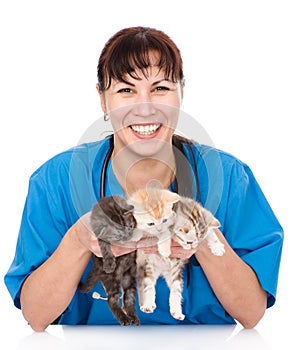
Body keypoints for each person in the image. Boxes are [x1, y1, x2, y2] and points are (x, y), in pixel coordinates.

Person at [4, 26, 283, 332]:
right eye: (126, 90)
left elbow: (252, 313)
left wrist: (202, 239)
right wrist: (77, 241)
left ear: (181, 92)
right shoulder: (54, 181)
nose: (145, 107)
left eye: (160, 88)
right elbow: (35, 316)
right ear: (103, 100)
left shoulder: (229, 178)